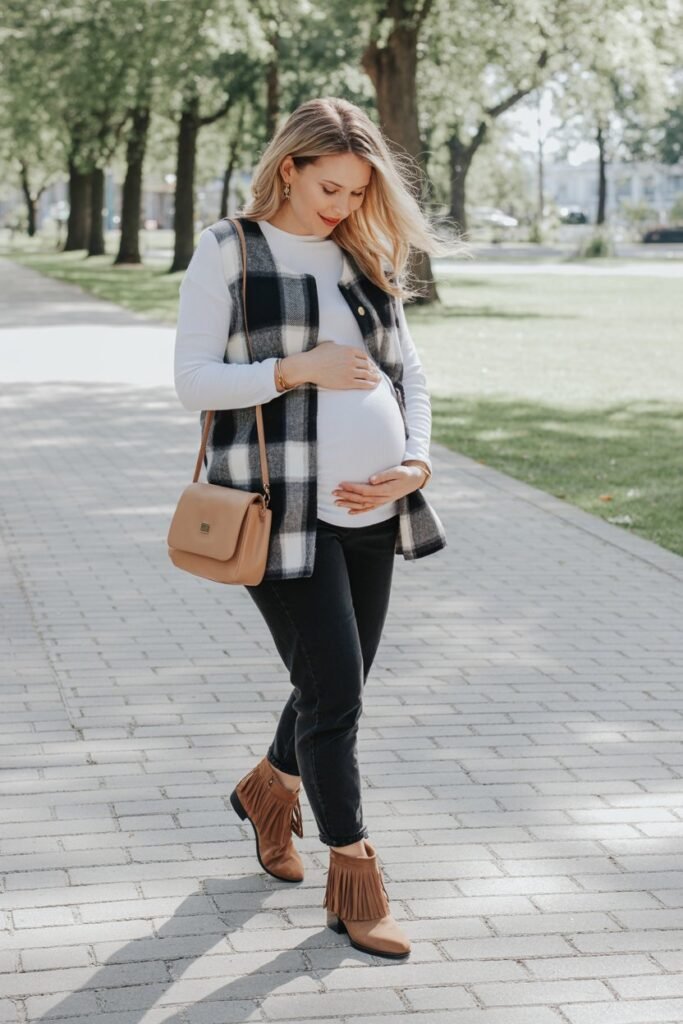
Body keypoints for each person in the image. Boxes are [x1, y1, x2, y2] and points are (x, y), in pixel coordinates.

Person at [174, 96, 460, 960]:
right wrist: (292, 368)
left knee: (332, 685)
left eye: (356, 190)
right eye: (328, 185)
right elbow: (193, 381)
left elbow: (409, 374)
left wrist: (416, 461)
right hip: (279, 513)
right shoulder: (229, 250)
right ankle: (355, 880)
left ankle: (269, 790)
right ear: (289, 167)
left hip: (372, 511)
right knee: (335, 695)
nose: (339, 205)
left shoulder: (362, 253)